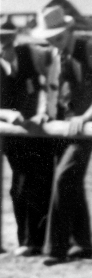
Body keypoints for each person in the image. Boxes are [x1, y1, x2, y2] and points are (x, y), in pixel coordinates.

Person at [33, 5, 92, 266]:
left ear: (68, 30)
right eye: (49, 38)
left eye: (57, 37)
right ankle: (83, 244)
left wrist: (86, 116)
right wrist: (44, 111)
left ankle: (55, 248)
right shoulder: (51, 56)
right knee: (71, 183)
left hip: (84, 129)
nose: (53, 42)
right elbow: (47, 87)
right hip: (57, 128)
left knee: (64, 178)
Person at [1, 21, 51, 256]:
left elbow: (53, 80)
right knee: (19, 185)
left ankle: (39, 241)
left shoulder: (33, 54)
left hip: (37, 130)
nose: (3, 45)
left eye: (7, 39)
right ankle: (25, 240)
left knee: (40, 182)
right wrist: (6, 114)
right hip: (9, 133)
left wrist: (45, 109)